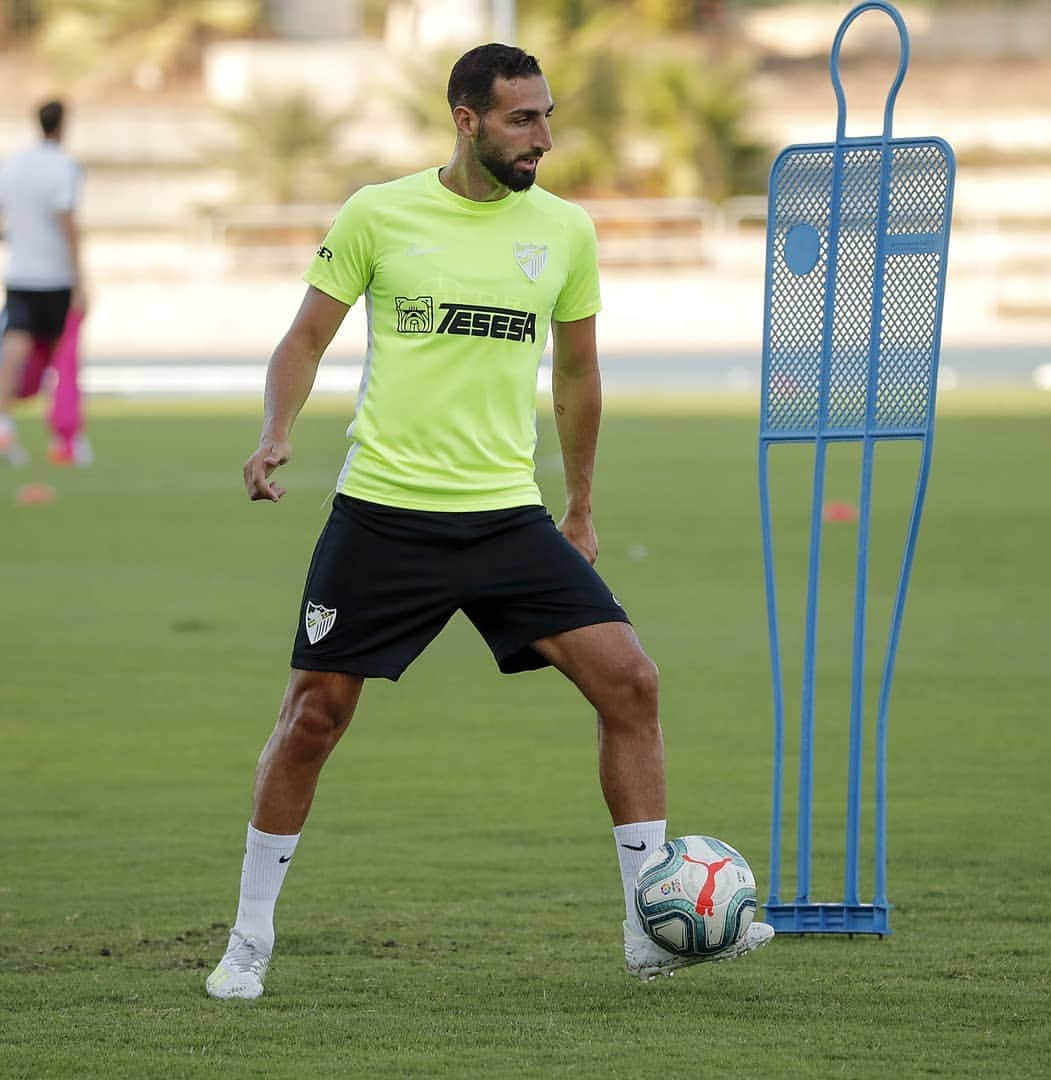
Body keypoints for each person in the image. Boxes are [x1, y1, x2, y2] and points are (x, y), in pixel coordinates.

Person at [206, 43, 772, 1000]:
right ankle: (249, 942)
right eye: (521, 119)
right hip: (384, 514)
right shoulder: (378, 213)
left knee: (631, 682)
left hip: (508, 520)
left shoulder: (564, 232)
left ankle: (647, 929)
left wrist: (582, 505)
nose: (542, 138)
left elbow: (579, 375)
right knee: (312, 718)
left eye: (547, 117)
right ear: (466, 120)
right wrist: (274, 433)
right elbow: (305, 337)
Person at [0, 99, 88, 466]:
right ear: (63, 125)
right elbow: (66, 220)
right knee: (61, 357)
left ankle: (3, 423)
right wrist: (80, 277)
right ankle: (64, 438)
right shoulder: (64, 168)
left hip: (21, 273)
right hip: (55, 275)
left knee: (15, 350)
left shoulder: (13, 166)